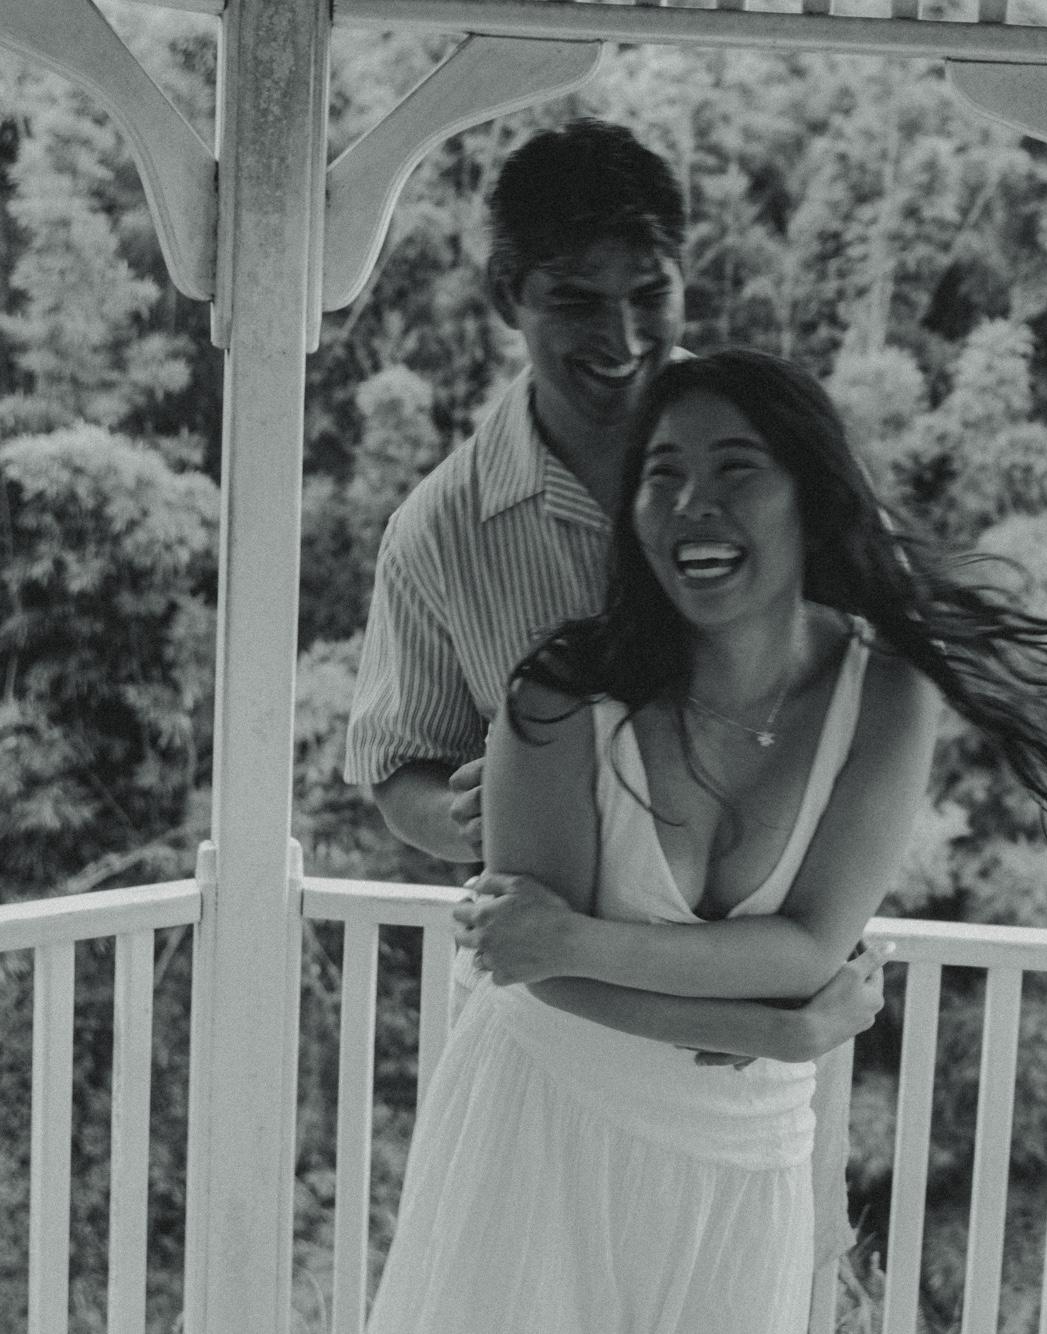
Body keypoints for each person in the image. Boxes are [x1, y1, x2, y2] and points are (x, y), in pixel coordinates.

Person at [363, 349, 1047, 1334]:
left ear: (810, 496)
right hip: (543, 1116)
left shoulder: (884, 692)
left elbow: (805, 945)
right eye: (661, 473)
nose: (690, 503)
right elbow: (531, 970)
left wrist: (579, 937)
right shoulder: (559, 694)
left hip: (740, 1161)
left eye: (736, 468)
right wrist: (772, 1030)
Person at [344, 118, 869, 1311]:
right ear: (507, 295)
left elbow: (846, 700)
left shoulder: (768, 463)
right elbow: (393, 768)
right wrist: (475, 809)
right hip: (553, 1033)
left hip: (746, 1030)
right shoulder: (441, 530)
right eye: (575, 300)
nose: (622, 339)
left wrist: (813, 959)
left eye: (649, 293)